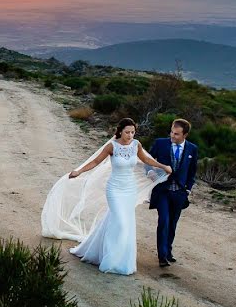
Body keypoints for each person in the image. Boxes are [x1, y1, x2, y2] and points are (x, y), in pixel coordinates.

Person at [41, 118, 172, 275]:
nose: (130, 135)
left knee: (123, 223)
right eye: (127, 132)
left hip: (130, 189)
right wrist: (79, 171)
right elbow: (96, 161)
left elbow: (146, 160)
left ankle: (120, 260)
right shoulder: (112, 146)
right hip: (115, 189)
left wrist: (163, 166)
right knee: (121, 222)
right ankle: (110, 258)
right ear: (120, 131)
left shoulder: (136, 145)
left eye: (133, 132)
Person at [147, 119, 198, 268]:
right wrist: (150, 172)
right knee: (164, 220)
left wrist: (188, 189)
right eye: (171, 132)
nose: (172, 136)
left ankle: (168, 251)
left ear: (185, 135)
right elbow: (147, 160)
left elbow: (192, 171)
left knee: (173, 223)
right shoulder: (160, 143)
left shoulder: (192, 149)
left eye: (176, 134)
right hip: (162, 190)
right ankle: (162, 256)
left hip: (180, 193)